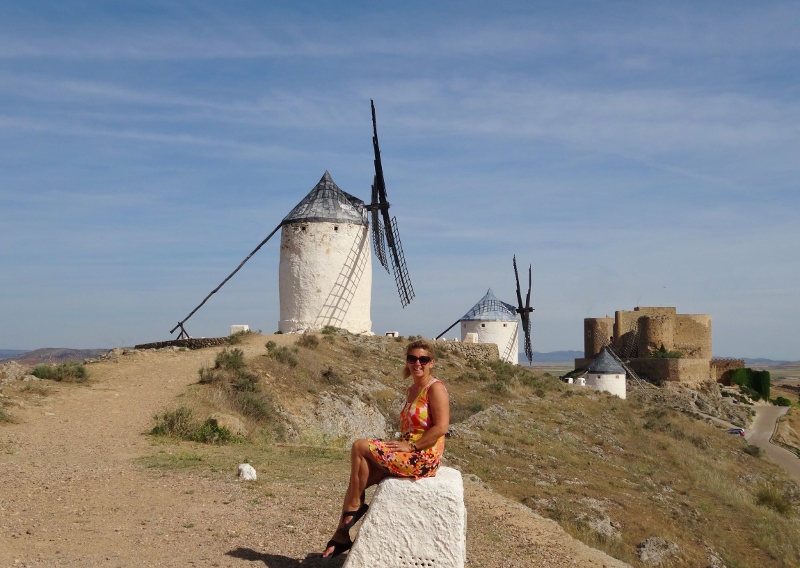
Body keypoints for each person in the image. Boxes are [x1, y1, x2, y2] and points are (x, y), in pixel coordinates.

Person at [321, 339, 450, 558]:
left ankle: (352, 513)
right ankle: (341, 534)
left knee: (360, 446)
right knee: (359, 480)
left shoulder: (434, 388)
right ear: (407, 362)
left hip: (423, 457)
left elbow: (441, 428)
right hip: (408, 452)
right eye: (412, 358)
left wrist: (411, 446)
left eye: (423, 359)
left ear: (431, 363)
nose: (417, 363)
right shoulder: (412, 390)